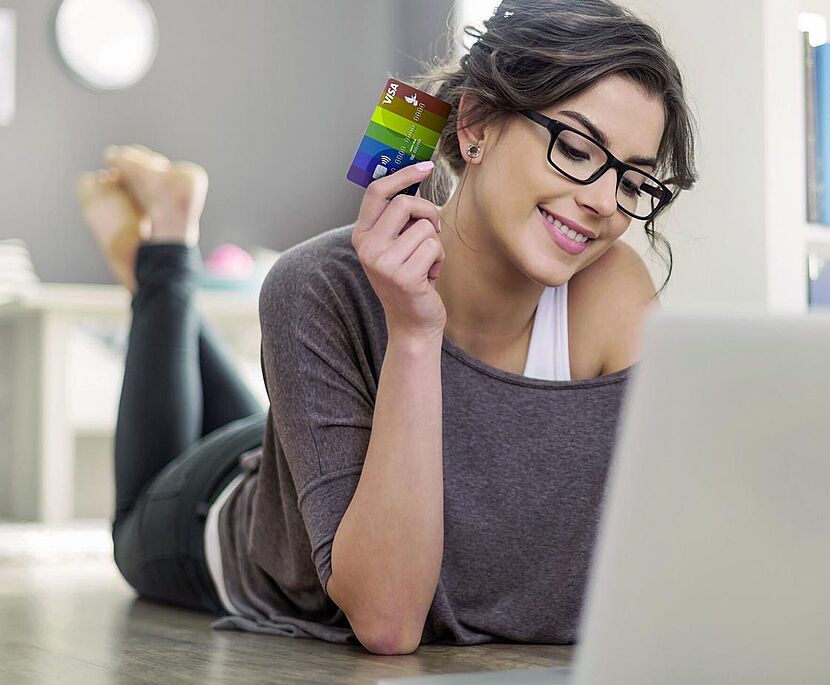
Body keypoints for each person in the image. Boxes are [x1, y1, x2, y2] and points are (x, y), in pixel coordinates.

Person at [74, 0, 697, 656]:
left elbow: (655, 551)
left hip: (311, 457)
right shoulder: (316, 282)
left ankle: (162, 268)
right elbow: (390, 621)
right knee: (129, 525)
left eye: (634, 181)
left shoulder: (613, 289)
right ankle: (167, 250)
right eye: (575, 147)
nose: (604, 201)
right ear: (477, 124)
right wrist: (414, 333)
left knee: (286, 431)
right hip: (224, 516)